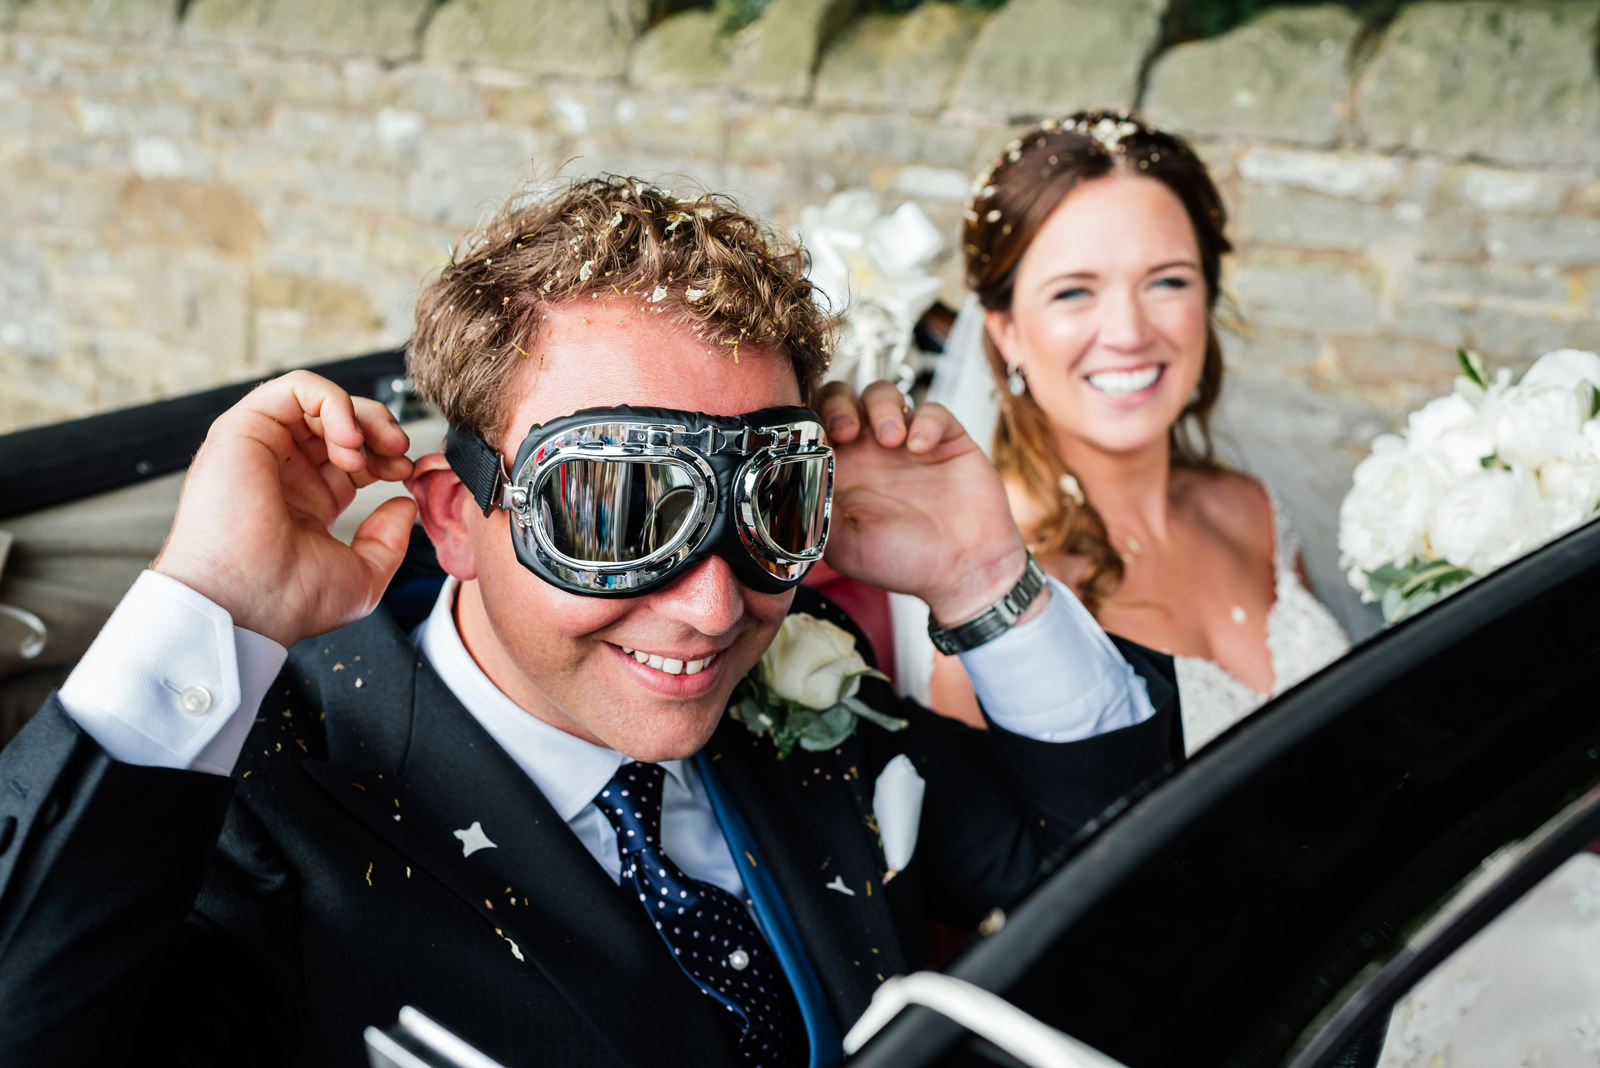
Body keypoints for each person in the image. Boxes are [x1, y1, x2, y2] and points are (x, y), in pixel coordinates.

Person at [0, 176, 1180, 1067]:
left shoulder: (810, 685)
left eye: (771, 504)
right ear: (456, 518)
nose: (713, 608)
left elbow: (1132, 884)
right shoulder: (259, 806)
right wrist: (210, 599)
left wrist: (982, 579)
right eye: (612, 514)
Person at [924, 111, 1349, 753]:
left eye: (1167, 281)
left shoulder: (1252, 511)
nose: (1128, 333)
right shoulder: (991, 590)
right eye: (1074, 293)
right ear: (1005, 330)